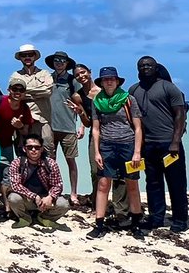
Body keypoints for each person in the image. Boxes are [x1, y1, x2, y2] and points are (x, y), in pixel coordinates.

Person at [130, 57, 189, 233]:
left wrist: (175, 141)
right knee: (153, 183)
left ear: (156, 68)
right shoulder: (134, 90)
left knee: (176, 183)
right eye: (141, 66)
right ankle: (156, 217)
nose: (145, 67)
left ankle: (180, 219)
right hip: (148, 145)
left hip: (169, 144)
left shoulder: (168, 87)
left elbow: (180, 115)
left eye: (149, 65)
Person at [87, 67, 145, 240]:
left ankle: (136, 224)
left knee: (132, 185)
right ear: (101, 83)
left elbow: (138, 127)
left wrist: (137, 152)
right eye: (105, 79)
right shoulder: (97, 101)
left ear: (118, 81)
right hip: (107, 147)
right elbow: (96, 129)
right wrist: (97, 151)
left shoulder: (129, 99)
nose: (109, 82)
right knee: (103, 185)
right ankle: (99, 224)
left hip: (127, 146)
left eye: (112, 79)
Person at [71, 63, 128, 223]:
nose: (81, 76)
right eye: (77, 75)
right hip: (95, 135)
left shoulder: (105, 91)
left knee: (119, 173)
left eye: (83, 72)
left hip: (117, 135)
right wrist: (80, 112)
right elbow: (88, 123)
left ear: (90, 72)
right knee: (96, 171)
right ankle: (98, 204)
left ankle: (120, 209)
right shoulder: (78, 96)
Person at [0, 81, 34, 214]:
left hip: (6, 144)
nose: (17, 92)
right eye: (14, 89)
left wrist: (19, 127)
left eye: (21, 90)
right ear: (9, 90)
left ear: (24, 93)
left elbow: (26, 131)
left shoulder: (24, 108)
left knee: (7, 175)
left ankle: (7, 207)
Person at [45, 50, 85, 207]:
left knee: (71, 161)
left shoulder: (73, 81)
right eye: (56, 60)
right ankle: (52, 190)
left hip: (68, 127)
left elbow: (82, 105)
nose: (59, 62)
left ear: (67, 63)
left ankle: (74, 193)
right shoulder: (47, 79)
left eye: (62, 60)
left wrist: (82, 126)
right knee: (50, 162)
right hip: (49, 127)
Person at [7, 133, 70, 230]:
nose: (33, 150)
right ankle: (25, 218)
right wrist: (34, 196)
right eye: (30, 147)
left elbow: (58, 185)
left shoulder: (50, 164)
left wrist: (50, 197)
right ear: (24, 149)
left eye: (36, 147)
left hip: (45, 199)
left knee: (64, 204)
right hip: (27, 198)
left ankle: (45, 218)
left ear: (41, 149)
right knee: (13, 198)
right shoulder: (17, 163)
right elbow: (16, 185)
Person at [8, 44, 55, 155]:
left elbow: (47, 92)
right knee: (24, 152)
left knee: (48, 150)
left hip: (43, 119)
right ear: (20, 58)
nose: (27, 57)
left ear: (35, 56)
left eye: (30, 54)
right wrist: (38, 92)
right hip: (23, 121)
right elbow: (14, 95)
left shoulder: (45, 73)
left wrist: (25, 92)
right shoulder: (15, 75)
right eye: (24, 55)